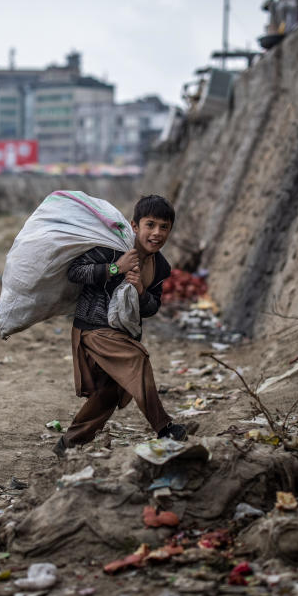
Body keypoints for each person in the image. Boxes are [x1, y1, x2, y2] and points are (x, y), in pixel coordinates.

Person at [55, 195, 187, 456]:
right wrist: (115, 268)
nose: (157, 233)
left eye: (164, 227)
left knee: (111, 391)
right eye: (150, 225)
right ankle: (164, 427)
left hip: (122, 332)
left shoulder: (161, 266)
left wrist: (140, 292)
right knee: (136, 358)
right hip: (93, 328)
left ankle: (68, 444)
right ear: (134, 226)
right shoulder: (113, 248)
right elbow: (75, 271)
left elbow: (152, 308)